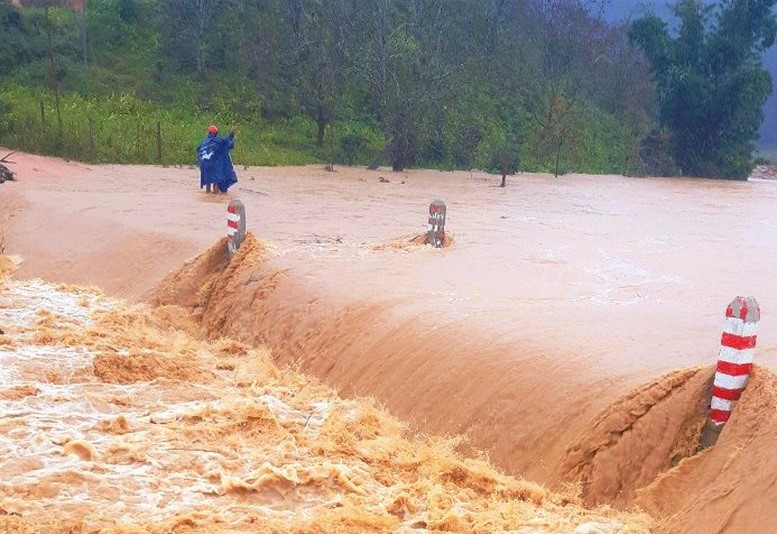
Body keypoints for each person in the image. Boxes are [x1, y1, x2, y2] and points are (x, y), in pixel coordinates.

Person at [197, 125, 238, 194]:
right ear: (216, 133)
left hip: (204, 165)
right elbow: (227, 142)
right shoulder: (218, 140)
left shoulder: (203, 142)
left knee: (208, 182)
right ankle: (215, 196)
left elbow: (198, 151)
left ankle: (208, 195)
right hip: (213, 164)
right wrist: (232, 134)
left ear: (209, 133)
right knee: (216, 181)